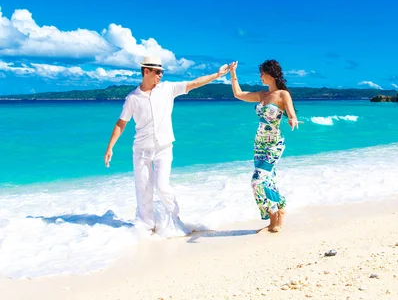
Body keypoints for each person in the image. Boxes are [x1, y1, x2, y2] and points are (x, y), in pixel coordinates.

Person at [104, 56, 230, 235]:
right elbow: (121, 123)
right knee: (143, 190)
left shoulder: (168, 89)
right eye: (157, 72)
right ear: (146, 71)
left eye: (162, 72)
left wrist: (217, 75)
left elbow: (194, 83)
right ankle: (147, 229)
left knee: (162, 186)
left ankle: (176, 219)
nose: (160, 75)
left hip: (164, 147)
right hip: (141, 150)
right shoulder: (133, 98)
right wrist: (110, 147)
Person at [228, 59, 298, 232]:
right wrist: (232, 72)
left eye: (262, 73)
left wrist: (292, 118)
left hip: (274, 144)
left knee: (257, 180)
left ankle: (276, 212)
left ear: (270, 74)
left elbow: (290, 111)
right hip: (259, 145)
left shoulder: (283, 94)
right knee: (269, 181)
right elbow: (238, 94)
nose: (260, 76)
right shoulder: (261, 95)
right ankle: (277, 214)